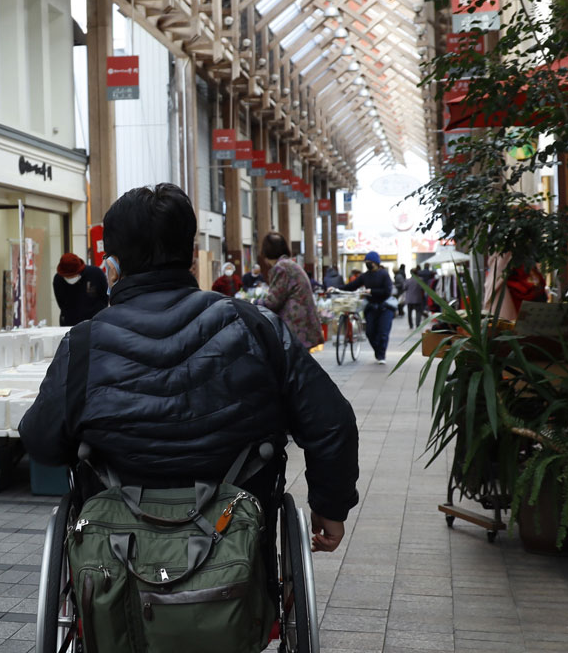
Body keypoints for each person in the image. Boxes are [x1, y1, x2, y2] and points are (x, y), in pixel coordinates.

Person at [20, 184, 358, 567]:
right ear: (192, 262)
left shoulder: (83, 343)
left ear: (110, 268)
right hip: (235, 538)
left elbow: (42, 441)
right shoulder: (256, 328)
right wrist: (330, 505)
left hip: (117, 550)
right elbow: (331, 420)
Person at [256, 233, 325, 349]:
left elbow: (273, 302)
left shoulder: (281, 267)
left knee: (291, 366)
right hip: (302, 326)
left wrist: (252, 302)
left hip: (294, 327)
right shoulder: (289, 264)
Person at [344, 251, 394, 365]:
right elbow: (351, 286)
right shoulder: (365, 276)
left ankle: (381, 355)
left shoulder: (384, 274)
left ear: (376, 262)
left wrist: (372, 291)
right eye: (366, 262)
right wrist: (336, 288)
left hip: (385, 308)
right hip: (371, 307)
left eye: (369, 262)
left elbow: (387, 291)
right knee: (370, 332)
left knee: (383, 332)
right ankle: (378, 351)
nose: (367, 264)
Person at [52, 253, 108, 326]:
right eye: (68, 276)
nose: (71, 278)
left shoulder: (96, 274)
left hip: (95, 323)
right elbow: (61, 304)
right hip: (69, 324)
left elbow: (105, 297)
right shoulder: (58, 280)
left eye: (73, 275)